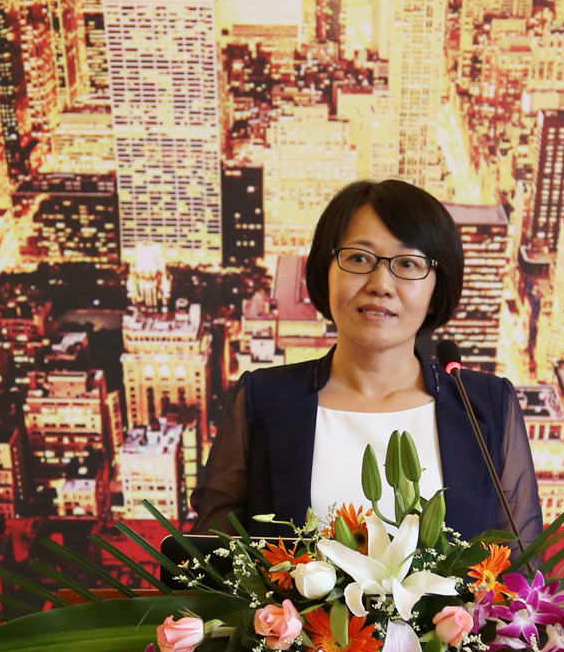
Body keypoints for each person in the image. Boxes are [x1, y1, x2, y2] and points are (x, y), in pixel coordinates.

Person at [190, 179, 542, 546]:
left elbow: (521, 564)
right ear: (325, 271)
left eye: (408, 263)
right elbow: (210, 562)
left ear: (437, 289)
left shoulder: (485, 405)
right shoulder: (263, 399)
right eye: (359, 258)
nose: (381, 284)